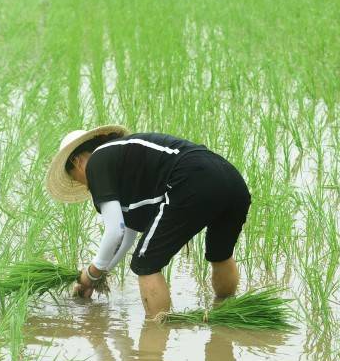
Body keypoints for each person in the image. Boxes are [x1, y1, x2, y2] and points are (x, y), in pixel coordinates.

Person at [46, 127, 251, 318]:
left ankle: (154, 342)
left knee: (146, 264)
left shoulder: (97, 161)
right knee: (220, 255)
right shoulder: (123, 161)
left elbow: (114, 231)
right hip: (232, 181)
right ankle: (226, 315)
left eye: (76, 179)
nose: (86, 185)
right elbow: (126, 235)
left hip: (191, 178)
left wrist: (90, 274)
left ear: (76, 161)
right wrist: (100, 276)